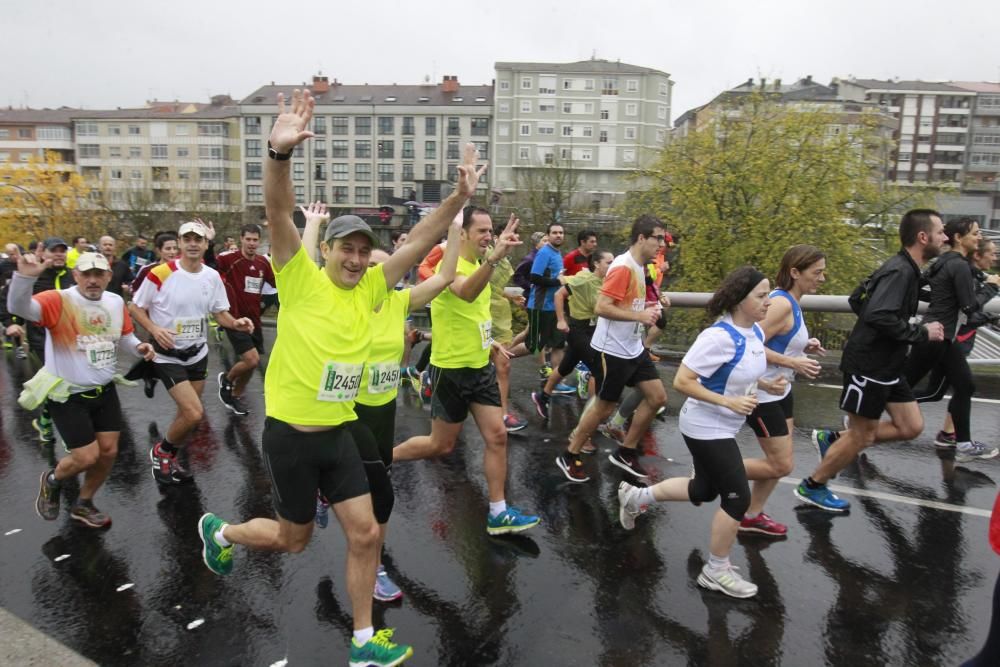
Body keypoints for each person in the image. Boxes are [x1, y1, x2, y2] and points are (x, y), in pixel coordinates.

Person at [197, 90, 483, 666]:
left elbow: (422, 239)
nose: (356, 259)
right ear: (324, 249)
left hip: (338, 434)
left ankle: (361, 641)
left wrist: (457, 198)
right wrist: (278, 157)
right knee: (292, 540)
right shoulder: (301, 279)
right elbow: (279, 213)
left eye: (363, 251)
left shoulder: (377, 288)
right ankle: (222, 533)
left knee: (368, 532)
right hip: (291, 439)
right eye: (346, 249)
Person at [308, 209, 464, 602]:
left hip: (383, 411)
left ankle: (326, 493)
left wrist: (456, 227)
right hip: (346, 411)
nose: (373, 275)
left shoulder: (399, 302)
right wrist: (311, 226)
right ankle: (374, 565)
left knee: (377, 485)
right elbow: (307, 274)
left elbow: (445, 278)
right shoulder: (342, 302)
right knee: (380, 496)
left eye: (381, 269)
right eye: (368, 268)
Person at [618, 266, 786, 598]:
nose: (769, 302)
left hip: (723, 424)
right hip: (705, 426)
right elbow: (683, 381)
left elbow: (738, 370)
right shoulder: (717, 337)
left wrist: (765, 383)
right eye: (762, 296)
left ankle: (637, 497)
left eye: (769, 295)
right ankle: (715, 570)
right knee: (737, 496)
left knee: (703, 490)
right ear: (740, 299)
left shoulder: (752, 332)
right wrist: (728, 401)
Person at [392, 206, 540, 537]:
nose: (489, 236)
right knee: (440, 445)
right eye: (482, 231)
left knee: (497, 436)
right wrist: (493, 260)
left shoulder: (477, 264)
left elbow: (474, 314)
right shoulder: (449, 264)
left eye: (491, 231)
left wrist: (490, 344)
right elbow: (465, 291)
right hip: (450, 371)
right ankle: (379, 460)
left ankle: (498, 513)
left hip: (479, 367)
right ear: (463, 234)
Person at [799, 209, 947, 512]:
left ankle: (835, 439)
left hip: (888, 365)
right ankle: (813, 485)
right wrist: (920, 332)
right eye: (941, 232)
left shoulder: (904, 269)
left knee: (910, 426)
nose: (945, 237)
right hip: (869, 367)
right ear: (923, 237)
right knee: (863, 435)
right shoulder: (900, 272)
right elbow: (878, 313)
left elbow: (858, 299)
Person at [8, 252, 155, 527]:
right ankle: (53, 480)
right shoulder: (58, 300)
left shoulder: (114, 302)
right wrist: (24, 277)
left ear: (108, 276)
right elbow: (20, 307)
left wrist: (138, 347)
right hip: (68, 393)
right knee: (86, 456)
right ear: (76, 275)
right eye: (86, 274)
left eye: (99, 274)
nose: (92, 280)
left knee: (109, 452)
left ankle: (84, 503)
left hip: (104, 390)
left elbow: (124, 336)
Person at [130, 220, 253, 485]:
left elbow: (219, 312)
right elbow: (135, 307)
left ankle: (169, 456)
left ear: (206, 244)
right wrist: (153, 328)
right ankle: (162, 452)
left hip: (197, 353)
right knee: (194, 413)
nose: (193, 244)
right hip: (167, 355)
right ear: (180, 243)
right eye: (188, 239)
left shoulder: (211, 276)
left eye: (198, 239)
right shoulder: (160, 273)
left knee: (188, 414)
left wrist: (235, 323)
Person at [556, 215, 669, 482]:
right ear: (641, 238)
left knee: (657, 398)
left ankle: (626, 451)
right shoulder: (623, 267)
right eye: (658, 238)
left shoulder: (640, 266)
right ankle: (570, 454)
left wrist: (649, 308)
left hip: (632, 347)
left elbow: (630, 303)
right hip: (612, 350)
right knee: (604, 408)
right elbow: (602, 307)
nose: (662, 244)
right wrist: (639, 317)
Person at [741, 245, 827, 536]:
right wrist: (791, 361)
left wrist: (804, 344)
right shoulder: (781, 303)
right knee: (781, 464)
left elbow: (781, 337)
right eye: (816, 273)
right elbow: (750, 344)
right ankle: (713, 468)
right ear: (794, 272)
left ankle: (751, 515)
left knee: (779, 463)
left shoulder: (793, 302)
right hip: (763, 393)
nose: (822, 278)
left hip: (781, 391)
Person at [900, 218, 998, 462]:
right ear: (958, 237)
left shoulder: (947, 261)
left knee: (962, 386)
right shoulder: (958, 266)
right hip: (936, 336)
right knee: (902, 386)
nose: (978, 237)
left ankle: (963, 444)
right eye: (975, 233)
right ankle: (859, 418)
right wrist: (992, 287)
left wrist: (983, 280)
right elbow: (969, 305)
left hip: (941, 335)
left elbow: (925, 285)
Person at [921, 237, 1000, 446]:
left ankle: (950, 434)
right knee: (949, 388)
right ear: (977, 254)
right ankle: (868, 411)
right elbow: (968, 311)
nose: (995, 258)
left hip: (950, 336)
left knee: (942, 390)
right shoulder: (965, 274)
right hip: (949, 337)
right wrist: (991, 313)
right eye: (992, 253)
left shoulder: (970, 274)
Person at [532, 249, 613, 422]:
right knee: (599, 371)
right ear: (597, 264)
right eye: (608, 262)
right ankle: (592, 417)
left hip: (592, 330)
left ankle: (543, 397)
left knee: (565, 367)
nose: (612, 266)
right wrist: (561, 320)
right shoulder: (584, 279)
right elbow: (559, 294)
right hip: (578, 329)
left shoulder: (607, 281)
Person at [2, 238, 70, 442]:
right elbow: (6, 301)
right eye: (54, 251)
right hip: (43, 339)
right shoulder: (33, 275)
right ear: (43, 254)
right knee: (60, 383)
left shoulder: (73, 275)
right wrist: (10, 323)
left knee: (71, 384)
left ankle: (45, 420)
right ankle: (73, 436)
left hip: (72, 338)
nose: (59, 254)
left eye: (62, 251)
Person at [215, 223, 276, 415]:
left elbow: (278, 282)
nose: (251, 243)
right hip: (235, 318)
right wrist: (209, 243)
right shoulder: (229, 259)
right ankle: (226, 379)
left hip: (254, 321)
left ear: (259, 241)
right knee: (251, 359)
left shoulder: (263, 263)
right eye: (248, 239)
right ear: (241, 239)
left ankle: (235, 396)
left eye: (255, 240)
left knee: (252, 364)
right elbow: (208, 266)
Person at [526, 222, 566, 375]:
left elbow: (556, 276)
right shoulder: (544, 252)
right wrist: (558, 281)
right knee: (534, 345)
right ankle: (504, 356)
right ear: (548, 235)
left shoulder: (556, 253)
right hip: (539, 306)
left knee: (558, 344)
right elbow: (535, 277)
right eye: (555, 232)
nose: (558, 235)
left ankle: (556, 382)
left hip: (554, 306)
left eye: (561, 233)